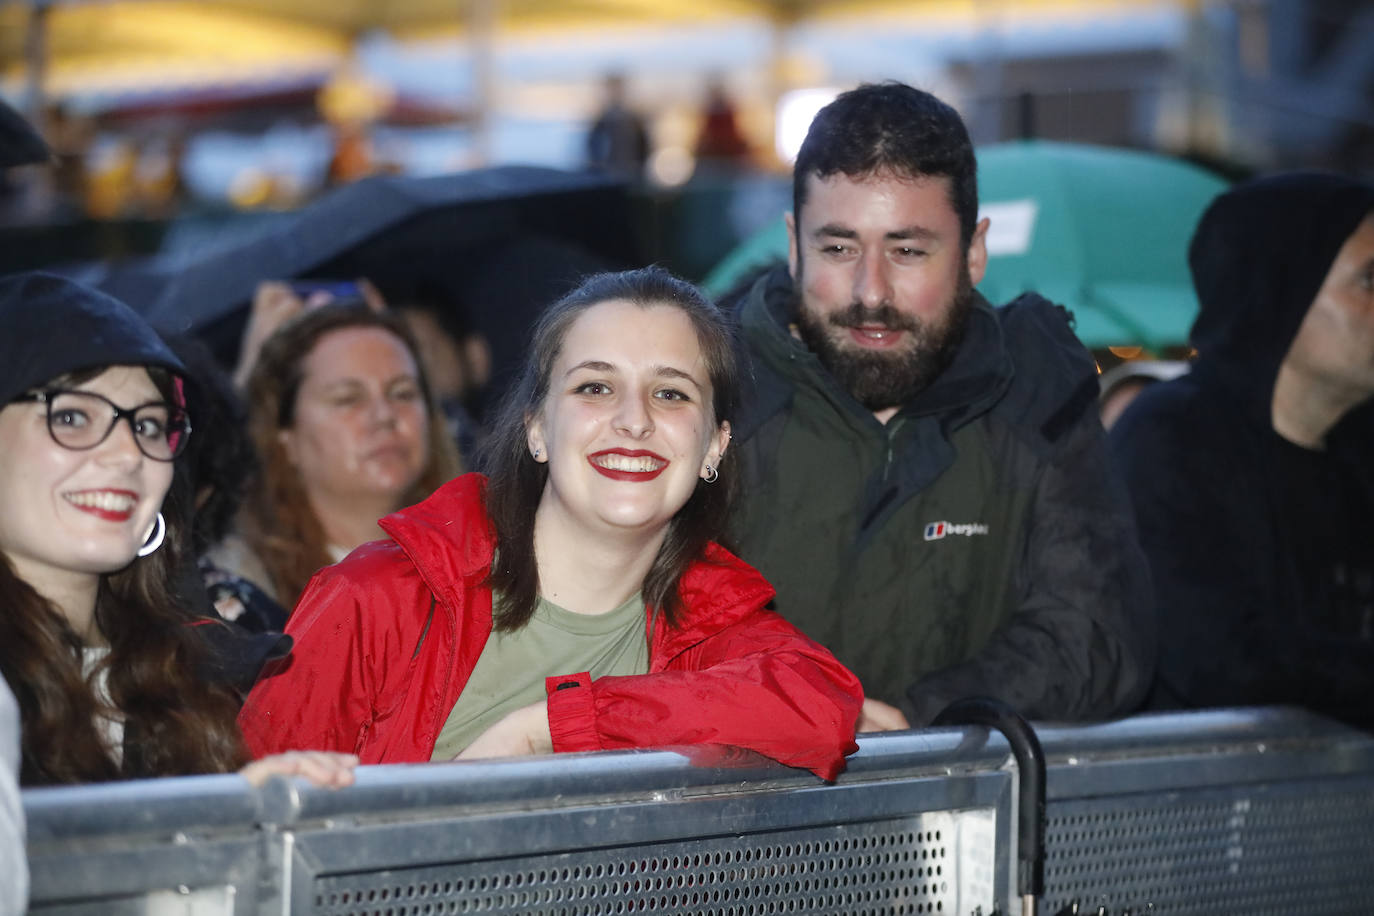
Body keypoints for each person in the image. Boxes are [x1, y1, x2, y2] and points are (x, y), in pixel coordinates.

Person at [238, 266, 863, 779]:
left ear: (714, 447)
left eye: (671, 394)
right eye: (595, 387)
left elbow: (818, 704)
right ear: (537, 427)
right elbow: (245, 836)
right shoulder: (376, 598)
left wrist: (547, 729)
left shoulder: (713, 624)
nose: (634, 421)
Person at [727, 81, 1155, 730]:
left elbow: (1096, 641)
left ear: (974, 252)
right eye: (838, 248)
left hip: (962, 822)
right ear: (793, 245)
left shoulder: (1037, 396)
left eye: (908, 250)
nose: (871, 291)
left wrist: (910, 721)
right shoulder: (707, 389)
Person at [0, 271, 356, 788]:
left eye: (147, 425)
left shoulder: (186, 676)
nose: (128, 454)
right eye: (73, 417)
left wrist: (233, 819)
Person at [1110, 172, 1374, 725]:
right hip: (1199, 802)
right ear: (1281, 288)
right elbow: (1220, 661)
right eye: (1369, 281)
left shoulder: (1357, 457)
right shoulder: (1172, 439)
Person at [218, 303, 462, 607]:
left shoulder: (483, 555)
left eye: (403, 393)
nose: (384, 415)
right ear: (285, 437)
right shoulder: (241, 592)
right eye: (348, 399)